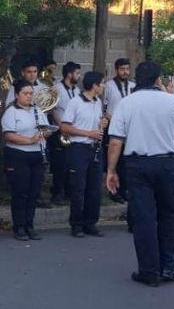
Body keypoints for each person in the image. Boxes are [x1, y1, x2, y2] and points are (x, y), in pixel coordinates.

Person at [106, 61, 174, 287]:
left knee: (144, 218)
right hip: (166, 163)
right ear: (157, 79)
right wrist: (166, 92)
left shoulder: (126, 103)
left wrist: (111, 170)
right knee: (168, 215)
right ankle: (168, 267)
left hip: (137, 164)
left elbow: (115, 141)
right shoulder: (171, 100)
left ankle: (149, 271)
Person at [1, 79, 51, 241]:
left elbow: (46, 128)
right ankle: (19, 226)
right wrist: (29, 140)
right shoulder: (11, 111)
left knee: (33, 192)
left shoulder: (37, 109)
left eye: (31, 93)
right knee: (20, 192)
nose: (29, 96)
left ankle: (30, 225)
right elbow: (9, 135)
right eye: (25, 93)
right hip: (18, 155)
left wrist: (46, 132)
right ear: (17, 95)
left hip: (37, 154)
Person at [61, 71, 107, 238]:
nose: (103, 86)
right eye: (101, 83)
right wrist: (88, 133)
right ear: (94, 85)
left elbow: (96, 125)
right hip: (79, 148)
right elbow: (65, 127)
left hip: (95, 148)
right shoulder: (75, 102)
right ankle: (76, 224)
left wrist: (102, 124)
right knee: (78, 188)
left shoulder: (98, 102)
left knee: (94, 188)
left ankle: (90, 223)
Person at [49, 61, 81, 206]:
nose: (79, 76)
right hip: (60, 130)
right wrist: (61, 126)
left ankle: (68, 192)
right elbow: (52, 109)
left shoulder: (76, 90)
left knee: (70, 163)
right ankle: (57, 193)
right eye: (77, 73)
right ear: (69, 74)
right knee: (60, 164)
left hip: (72, 131)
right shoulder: (57, 89)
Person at [104, 58, 136, 203]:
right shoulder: (109, 86)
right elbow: (104, 108)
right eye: (122, 69)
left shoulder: (133, 86)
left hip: (130, 129)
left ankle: (125, 189)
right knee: (114, 161)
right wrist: (113, 119)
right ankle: (114, 191)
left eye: (127, 69)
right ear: (116, 70)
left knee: (126, 161)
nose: (125, 72)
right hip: (114, 127)